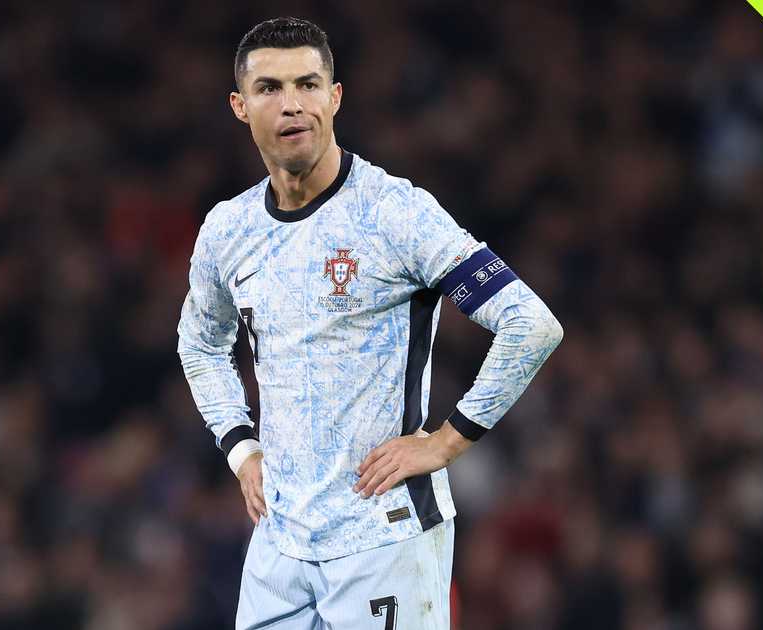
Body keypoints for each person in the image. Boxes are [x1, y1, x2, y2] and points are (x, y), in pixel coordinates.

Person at [177, 17, 563, 629]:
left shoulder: (394, 213)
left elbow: (530, 323)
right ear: (240, 106)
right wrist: (241, 448)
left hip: (383, 536)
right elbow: (199, 345)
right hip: (279, 540)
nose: (292, 104)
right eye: (270, 88)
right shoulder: (229, 230)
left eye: (307, 84)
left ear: (335, 97)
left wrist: (446, 442)